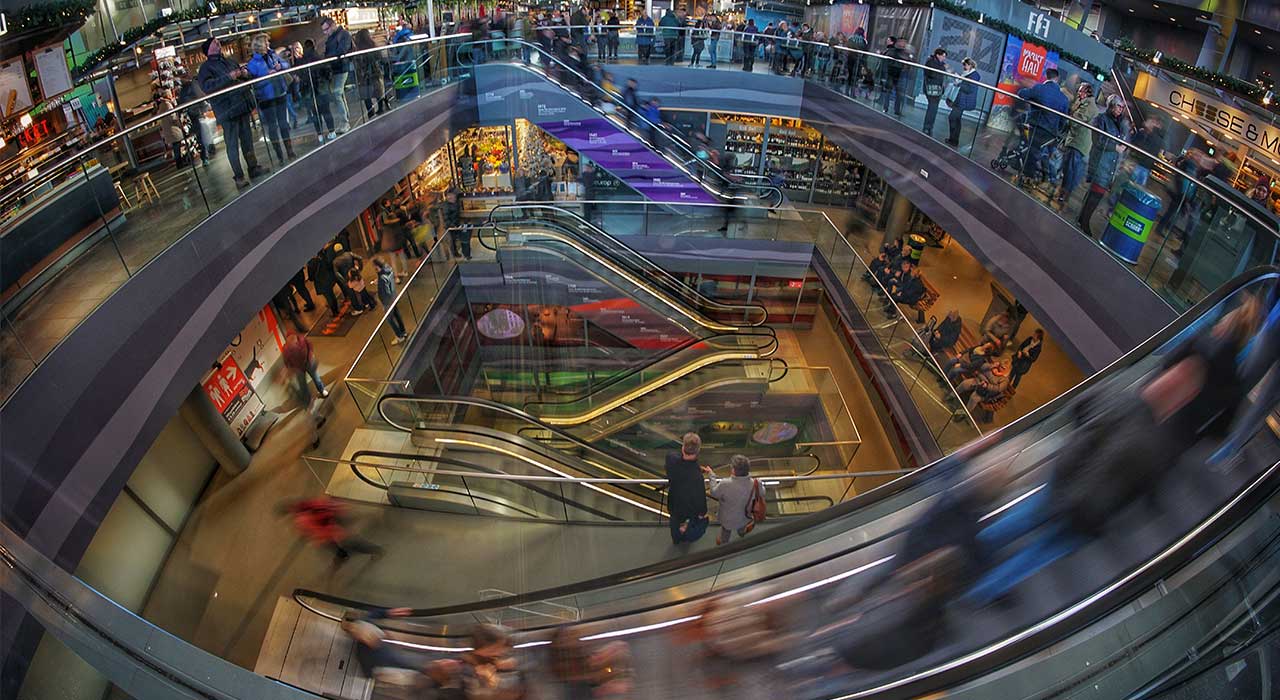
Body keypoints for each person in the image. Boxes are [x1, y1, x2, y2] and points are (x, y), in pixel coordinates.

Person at [196, 37, 265, 188]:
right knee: (232, 145)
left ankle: (253, 168)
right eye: (215, 42)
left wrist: (244, 74)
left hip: (241, 106)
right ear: (209, 49)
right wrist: (229, 77)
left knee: (247, 141)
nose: (218, 43)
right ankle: (239, 177)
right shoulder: (206, 69)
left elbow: (243, 78)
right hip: (227, 112)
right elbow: (208, 87)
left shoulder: (229, 61)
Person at [424, 624, 529, 699]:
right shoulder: (467, 668)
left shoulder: (510, 654)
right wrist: (491, 679)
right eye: (492, 649)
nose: (499, 652)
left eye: (500, 647)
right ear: (478, 649)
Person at [1078, 95, 1131, 237]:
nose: (1120, 109)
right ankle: (1084, 221)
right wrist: (1115, 147)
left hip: (1110, 166)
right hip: (1101, 162)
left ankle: (1082, 219)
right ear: (1111, 105)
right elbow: (1098, 140)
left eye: (1122, 107)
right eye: (1118, 106)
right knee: (1096, 193)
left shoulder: (1120, 124)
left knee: (1095, 194)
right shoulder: (1101, 119)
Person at [284, 497, 383, 570]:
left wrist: (320, 538)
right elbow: (323, 505)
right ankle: (372, 516)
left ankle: (377, 550)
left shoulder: (302, 519)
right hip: (336, 517)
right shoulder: (305, 505)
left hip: (333, 532)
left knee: (354, 544)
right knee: (354, 519)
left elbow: (318, 531)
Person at [246, 33, 296, 162]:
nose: (268, 44)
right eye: (266, 43)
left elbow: (286, 65)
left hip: (280, 93)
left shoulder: (273, 55)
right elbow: (255, 84)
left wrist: (281, 67)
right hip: (266, 99)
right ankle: (279, 154)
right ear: (260, 45)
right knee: (273, 127)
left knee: (284, 124)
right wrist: (267, 77)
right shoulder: (252, 64)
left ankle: (290, 151)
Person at [1015, 68, 1070, 181]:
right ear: (1057, 79)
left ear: (1046, 76)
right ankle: (1044, 177)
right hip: (1051, 132)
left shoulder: (1040, 88)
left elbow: (1021, 94)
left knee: (1032, 150)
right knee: (1042, 152)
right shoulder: (1064, 99)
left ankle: (1027, 177)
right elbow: (1063, 120)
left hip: (1037, 127)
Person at [1056, 82, 1098, 205]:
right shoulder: (1083, 103)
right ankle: (1063, 192)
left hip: (1078, 143)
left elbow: (1075, 121)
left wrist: (1071, 114)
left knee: (1070, 170)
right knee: (1069, 168)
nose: (1078, 93)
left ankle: (1064, 195)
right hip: (1074, 140)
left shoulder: (1089, 106)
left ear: (1087, 93)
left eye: (1081, 91)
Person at [666, 432, 709, 544]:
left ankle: (676, 540)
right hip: (689, 511)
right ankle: (685, 538)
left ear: (683, 447)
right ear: (698, 451)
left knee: (674, 525)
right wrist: (703, 512)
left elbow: (676, 459)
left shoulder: (671, 460)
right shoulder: (697, 476)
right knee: (688, 526)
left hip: (674, 505)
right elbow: (700, 499)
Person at [707, 455, 759, 545]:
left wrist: (712, 476)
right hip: (745, 517)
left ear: (733, 470)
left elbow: (714, 493)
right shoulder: (755, 483)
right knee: (742, 528)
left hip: (728, 519)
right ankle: (742, 534)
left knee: (726, 531)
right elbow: (762, 493)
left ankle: (724, 543)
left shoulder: (725, 484)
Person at [321, 16, 353, 135]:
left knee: (337, 92)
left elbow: (341, 50)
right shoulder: (332, 37)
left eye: (326, 29)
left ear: (333, 25)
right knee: (339, 93)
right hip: (335, 69)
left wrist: (329, 57)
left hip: (342, 68)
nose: (325, 32)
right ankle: (345, 120)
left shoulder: (343, 34)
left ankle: (345, 122)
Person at [283, 331, 328, 404]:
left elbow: (310, 346)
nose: (292, 340)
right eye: (289, 339)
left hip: (308, 363)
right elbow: (286, 361)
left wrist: (310, 356)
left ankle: (322, 390)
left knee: (316, 377)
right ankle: (307, 400)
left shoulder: (302, 340)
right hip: (298, 368)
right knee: (303, 384)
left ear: (295, 336)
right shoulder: (286, 349)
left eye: (293, 338)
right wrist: (291, 369)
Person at [352, 29, 385, 120]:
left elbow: (357, 62)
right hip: (375, 72)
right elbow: (380, 57)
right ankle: (381, 108)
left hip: (363, 74)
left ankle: (370, 112)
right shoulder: (373, 46)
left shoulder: (358, 49)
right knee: (378, 90)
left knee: (366, 94)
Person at [177, 80, 212, 165]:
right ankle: (208, 153)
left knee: (200, 136)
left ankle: (205, 157)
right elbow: (203, 96)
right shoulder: (195, 85)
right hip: (200, 113)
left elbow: (181, 104)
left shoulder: (183, 91)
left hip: (194, 115)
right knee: (205, 134)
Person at [375, 259, 408, 344]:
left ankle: (399, 336)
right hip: (394, 296)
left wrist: (384, 303)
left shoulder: (382, 278)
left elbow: (385, 291)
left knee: (390, 320)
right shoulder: (388, 270)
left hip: (388, 301)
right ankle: (403, 331)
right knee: (397, 314)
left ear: (377, 266)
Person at [880, 36, 912, 117]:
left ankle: (897, 110)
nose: (903, 44)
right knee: (888, 91)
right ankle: (885, 107)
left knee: (899, 93)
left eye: (904, 42)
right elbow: (888, 59)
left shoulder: (906, 53)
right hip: (891, 74)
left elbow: (910, 62)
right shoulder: (893, 51)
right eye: (902, 42)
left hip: (901, 75)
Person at [922, 48, 948, 138]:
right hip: (932, 88)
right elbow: (932, 74)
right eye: (943, 56)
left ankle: (929, 126)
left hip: (937, 89)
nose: (944, 58)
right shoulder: (931, 62)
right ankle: (927, 126)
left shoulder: (940, 64)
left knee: (933, 108)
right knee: (932, 108)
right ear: (938, 55)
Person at [308, 248, 342, 317]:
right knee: (332, 295)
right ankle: (336, 310)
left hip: (321, 283)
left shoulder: (311, 264)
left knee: (328, 297)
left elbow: (311, 278)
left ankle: (334, 312)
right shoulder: (321, 258)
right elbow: (328, 266)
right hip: (328, 279)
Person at [331, 243, 364, 313]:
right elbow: (360, 258)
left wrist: (344, 281)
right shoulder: (349, 254)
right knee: (361, 288)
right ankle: (365, 302)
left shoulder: (335, 261)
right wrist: (360, 269)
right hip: (354, 274)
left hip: (347, 278)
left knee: (352, 295)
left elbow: (337, 273)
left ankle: (358, 309)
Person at [438, 189, 468, 259]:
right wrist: (452, 225)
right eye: (453, 196)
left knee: (455, 238)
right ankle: (454, 253)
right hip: (451, 226)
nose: (454, 198)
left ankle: (457, 251)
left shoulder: (454, 203)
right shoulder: (446, 206)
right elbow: (446, 218)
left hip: (455, 223)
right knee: (453, 240)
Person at [844, 27, 868, 93]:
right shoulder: (863, 40)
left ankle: (846, 90)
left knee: (850, 74)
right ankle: (852, 92)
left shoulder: (851, 38)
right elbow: (865, 51)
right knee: (856, 76)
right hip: (858, 59)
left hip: (850, 58)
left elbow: (847, 47)